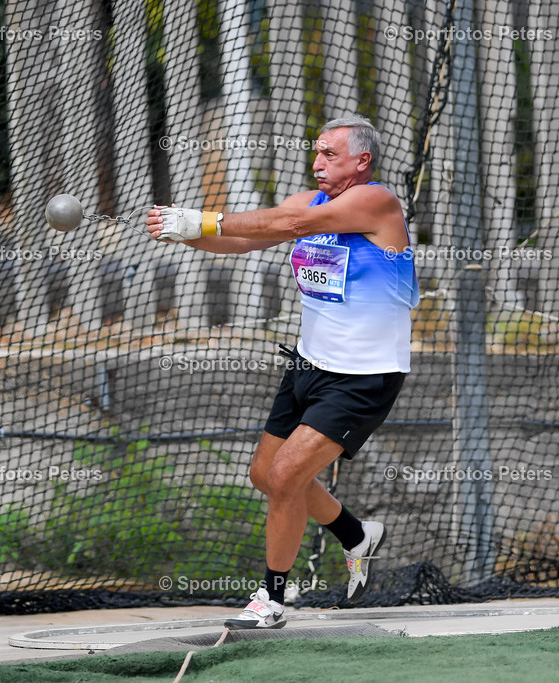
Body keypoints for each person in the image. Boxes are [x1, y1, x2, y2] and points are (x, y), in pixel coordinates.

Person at [145, 116, 418, 629]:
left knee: (287, 476)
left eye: (330, 154)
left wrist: (203, 218)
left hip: (364, 376)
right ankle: (356, 535)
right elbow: (245, 241)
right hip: (308, 365)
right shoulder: (309, 202)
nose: (317, 163)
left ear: (362, 161)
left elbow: (287, 226)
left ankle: (271, 601)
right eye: (316, 152)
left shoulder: (376, 202)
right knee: (264, 476)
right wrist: (183, 233)